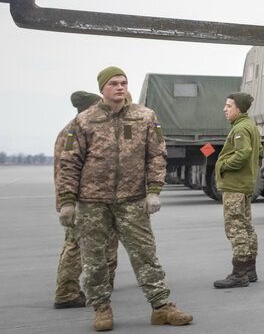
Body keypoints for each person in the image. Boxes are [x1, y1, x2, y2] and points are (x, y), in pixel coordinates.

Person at [57, 67, 193, 331]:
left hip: (132, 200)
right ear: (102, 89)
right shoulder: (84, 121)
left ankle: (162, 307)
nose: (120, 87)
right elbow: (69, 162)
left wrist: (154, 191)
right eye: (113, 83)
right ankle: (101, 309)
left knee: (145, 254)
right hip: (93, 201)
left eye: (123, 82)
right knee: (94, 259)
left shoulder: (145, 117)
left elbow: (156, 155)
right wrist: (67, 201)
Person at [53, 91, 119, 309]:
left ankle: (92, 286)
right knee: (76, 245)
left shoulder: (75, 128)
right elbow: (69, 170)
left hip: (83, 199)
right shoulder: (77, 130)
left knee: (85, 244)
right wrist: (68, 202)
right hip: (81, 200)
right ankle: (67, 292)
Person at [213, 92, 262, 289]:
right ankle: (250, 270)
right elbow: (260, 152)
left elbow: (244, 153)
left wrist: (224, 165)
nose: (225, 109)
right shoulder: (250, 125)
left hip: (235, 185)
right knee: (246, 226)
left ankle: (239, 274)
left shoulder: (241, 128)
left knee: (235, 227)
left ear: (238, 108)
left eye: (229, 106)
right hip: (244, 184)